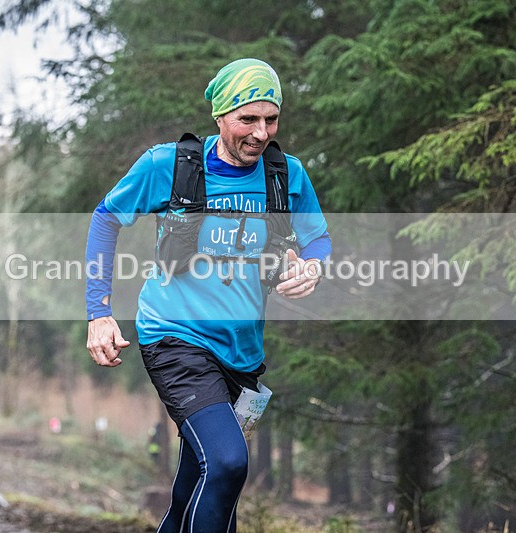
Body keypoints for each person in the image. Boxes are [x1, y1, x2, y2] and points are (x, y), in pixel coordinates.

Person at [85, 58, 331, 532]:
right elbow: (106, 217)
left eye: (271, 119)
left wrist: (313, 266)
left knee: (199, 486)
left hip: (243, 355)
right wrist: (99, 311)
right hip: (174, 337)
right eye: (248, 119)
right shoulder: (169, 165)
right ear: (220, 117)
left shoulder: (286, 174)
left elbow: (317, 238)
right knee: (226, 463)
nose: (261, 133)